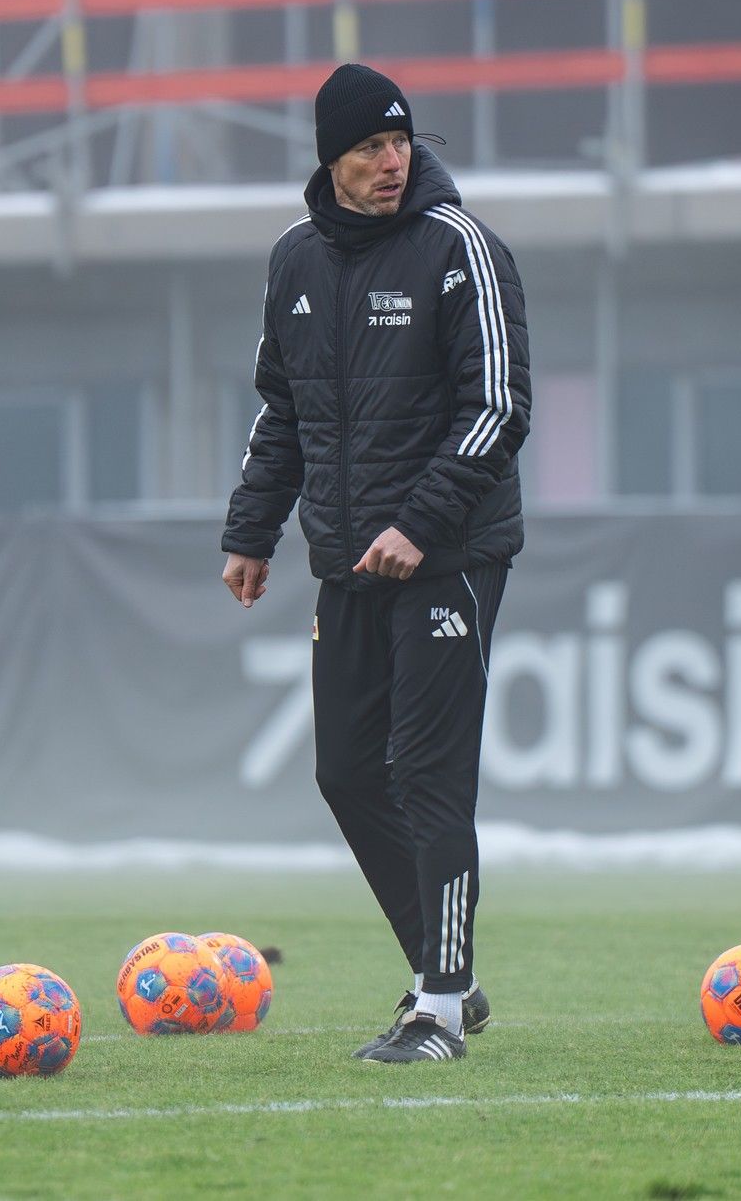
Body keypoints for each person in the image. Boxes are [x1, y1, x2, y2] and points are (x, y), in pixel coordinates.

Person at [221, 64, 530, 1064]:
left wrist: (417, 525)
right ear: (330, 159)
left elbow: (497, 409)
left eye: (400, 143)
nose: (391, 162)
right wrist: (251, 528)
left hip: (448, 557)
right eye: (368, 149)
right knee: (347, 771)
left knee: (427, 774)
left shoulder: (459, 247)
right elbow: (285, 412)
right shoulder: (292, 262)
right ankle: (450, 969)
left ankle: (436, 1009)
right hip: (346, 562)